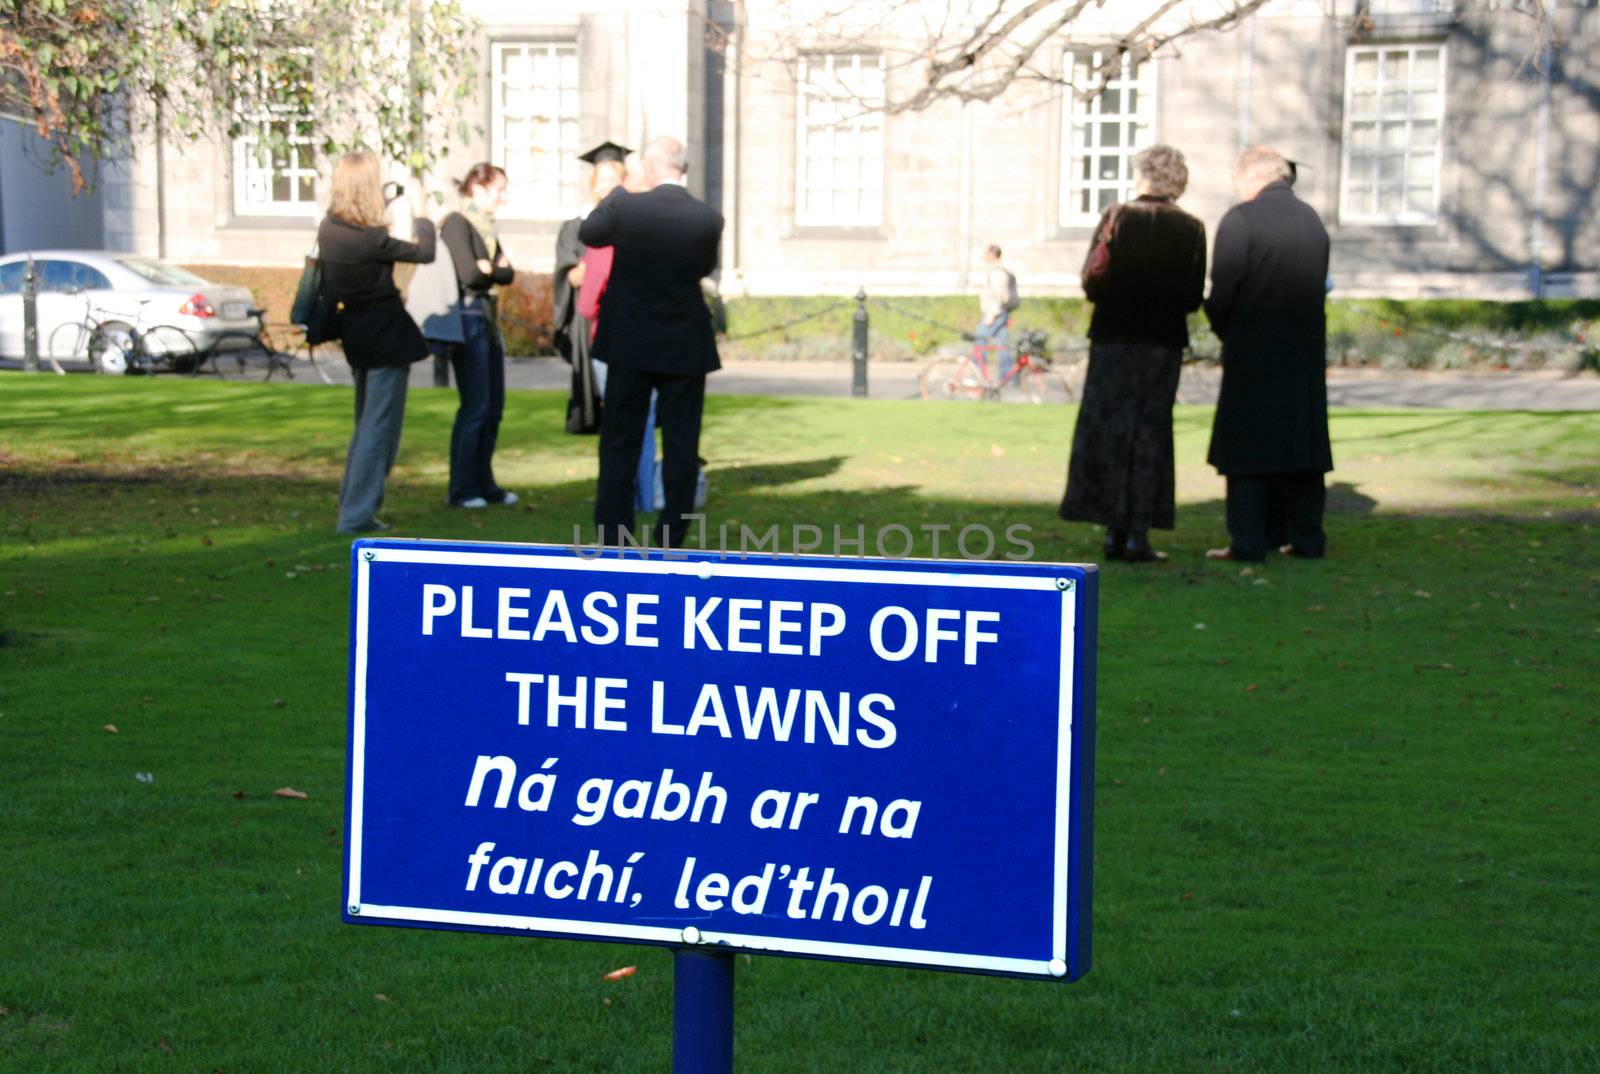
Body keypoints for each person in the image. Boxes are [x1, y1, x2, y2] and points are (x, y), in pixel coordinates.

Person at [1059, 145, 1207, 562]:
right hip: (1161, 342)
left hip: (1113, 338)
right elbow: (1193, 297)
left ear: (1142, 175)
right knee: (1150, 433)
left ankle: (1110, 528)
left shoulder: (1116, 217)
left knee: (1108, 429)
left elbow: (1092, 281)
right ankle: (1138, 533)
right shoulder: (1192, 228)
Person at [580, 135, 723, 549]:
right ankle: (670, 537)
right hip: (683, 343)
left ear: (650, 166)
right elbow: (702, 266)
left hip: (629, 342)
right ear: (682, 168)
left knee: (620, 442)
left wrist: (617, 194)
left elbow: (591, 233)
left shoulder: (626, 206)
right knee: (681, 445)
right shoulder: (707, 218)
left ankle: (614, 534)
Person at [1203, 145, 1333, 562]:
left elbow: (1221, 293)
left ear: (1251, 176)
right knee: (1301, 446)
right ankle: (1305, 537)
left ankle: (1249, 540)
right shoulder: (1313, 221)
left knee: (1248, 450)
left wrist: (1229, 332)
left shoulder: (1241, 220)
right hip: (1302, 354)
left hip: (1253, 352)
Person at [318, 150, 436, 534]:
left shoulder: (330, 229)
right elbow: (425, 251)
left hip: (357, 333)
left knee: (366, 425)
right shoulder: (371, 239)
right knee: (378, 429)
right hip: (384, 336)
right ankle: (356, 514)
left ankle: (356, 508)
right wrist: (421, 212)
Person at [439, 163, 518, 510]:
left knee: (494, 407)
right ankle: (462, 488)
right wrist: (491, 270)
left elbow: (506, 272)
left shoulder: (487, 228)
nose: (503, 197)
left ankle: (485, 484)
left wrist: (493, 270)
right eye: (499, 189)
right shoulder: (457, 223)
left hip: (486, 322)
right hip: (467, 324)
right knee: (475, 406)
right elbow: (471, 274)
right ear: (478, 188)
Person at [554, 141, 630, 435]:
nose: (609, 186)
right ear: (593, 184)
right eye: (604, 180)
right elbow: (571, 275)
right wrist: (597, 264)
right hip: (591, 313)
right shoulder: (578, 226)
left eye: (615, 179)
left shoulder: (632, 221)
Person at [975, 244, 1018, 383]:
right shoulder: (997, 270)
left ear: (992, 255)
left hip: (995, 313)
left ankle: (978, 376)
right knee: (1003, 346)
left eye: (986, 253)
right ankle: (1009, 378)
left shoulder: (997, 272)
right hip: (999, 312)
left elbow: (998, 295)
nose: (983, 256)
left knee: (980, 342)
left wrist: (991, 315)